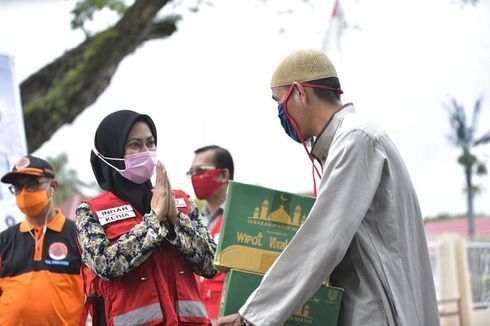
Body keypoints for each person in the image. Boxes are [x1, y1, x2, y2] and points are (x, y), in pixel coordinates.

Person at [218, 49, 440, 326]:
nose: (279, 113)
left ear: (300, 93)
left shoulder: (356, 140)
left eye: (278, 102)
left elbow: (323, 239)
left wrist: (251, 316)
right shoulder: (348, 141)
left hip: (378, 310)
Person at [75, 109, 218, 326]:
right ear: (112, 151)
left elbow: (212, 264)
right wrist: (155, 220)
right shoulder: (90, 212)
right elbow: (106, 265)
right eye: (135, 145)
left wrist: (176, 220)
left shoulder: (180, 201)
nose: (146, 151)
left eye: (150, 143)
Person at [0, 154, 84, 325]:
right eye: (17, 188)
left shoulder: (78, 235)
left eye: (31, 185)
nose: (23, 194)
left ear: (53, 186)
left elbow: (98, 292)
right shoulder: (4, 240)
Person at [187, 145, 234, 321]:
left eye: (200, 170)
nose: (194, 177)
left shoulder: (242, 218)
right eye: (191, 172)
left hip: (227, 319)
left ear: (223, 175)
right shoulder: (192, 221)